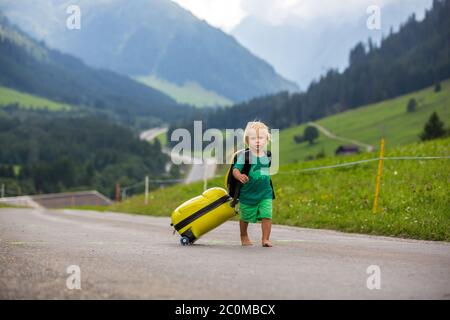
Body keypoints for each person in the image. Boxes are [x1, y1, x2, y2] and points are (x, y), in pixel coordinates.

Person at [232, 121, 274, 247]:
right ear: (247, 140)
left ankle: (265, 239)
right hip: (248, 193)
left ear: (266, 139)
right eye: (253, 138)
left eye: (260, 138)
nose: (257, 141)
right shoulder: (245, 156)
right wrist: (239, 175)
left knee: (267, 215)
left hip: (265, 192)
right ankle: (243, 235)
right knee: (245, 217)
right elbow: (235, 170)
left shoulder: (267, 155)